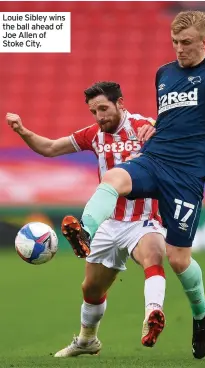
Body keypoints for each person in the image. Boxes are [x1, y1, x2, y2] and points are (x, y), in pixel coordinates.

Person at [53, 11, 205, 360]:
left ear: (204, 41)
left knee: (178, 259)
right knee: (114, 178)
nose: (179, 49)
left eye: (186, 43)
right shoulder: (164, 73)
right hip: (155, 160)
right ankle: (85, 231)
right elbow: (171, 119)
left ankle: (202, 313)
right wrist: (154, 129)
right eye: (174, 42)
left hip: (187, 175)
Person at [6, 82, 167, 357]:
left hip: (143, 219)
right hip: (109, 223)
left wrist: (159, 129)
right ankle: (86, 341)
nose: (99, 116)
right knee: (91, 288)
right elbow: (50, 148)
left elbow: (175, 138)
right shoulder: (93, 135)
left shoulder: (144, 126)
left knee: (152, 255)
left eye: (104, 108)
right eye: (94, 111)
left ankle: (153, 313)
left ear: (121, 103)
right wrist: (22, 131)